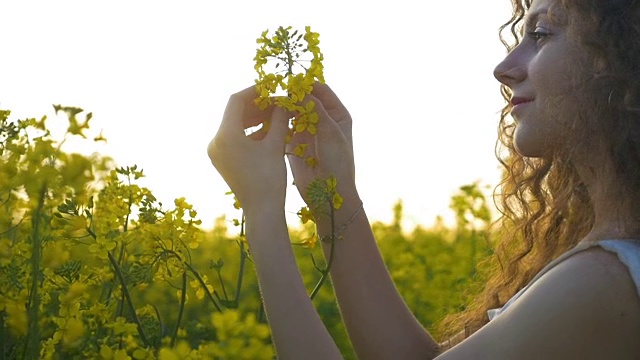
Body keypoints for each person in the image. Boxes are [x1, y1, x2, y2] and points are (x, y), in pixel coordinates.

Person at [207, 0, 640, 358]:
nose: (505, 67)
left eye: (541, 34)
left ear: (623, 57)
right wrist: (332, 196)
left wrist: (261, 210)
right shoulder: (608, 265)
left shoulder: (602, 281)